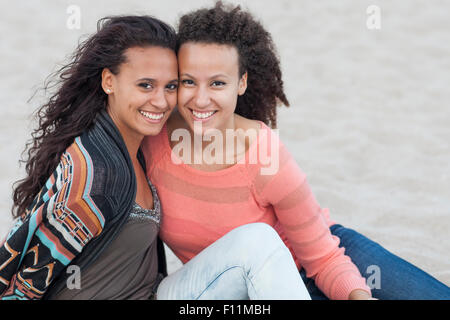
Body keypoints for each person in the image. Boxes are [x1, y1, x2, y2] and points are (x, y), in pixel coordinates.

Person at [141, 1, 450, 300]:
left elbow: (324, 257)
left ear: (241, 83)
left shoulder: (264, 155)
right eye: (189, 81)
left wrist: (358, 296)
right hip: (262, 284)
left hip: (325, 253)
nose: (201, 99)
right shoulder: (153, 140)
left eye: (218, 83)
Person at [0, 15, 310, 300]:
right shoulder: (97, 182)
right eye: (145, 85)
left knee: (257, 244)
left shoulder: (137, 144)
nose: (161, 101)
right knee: (259, 245)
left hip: (159, 293)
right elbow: (22, 284)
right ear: (109, 81)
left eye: (171, 86)